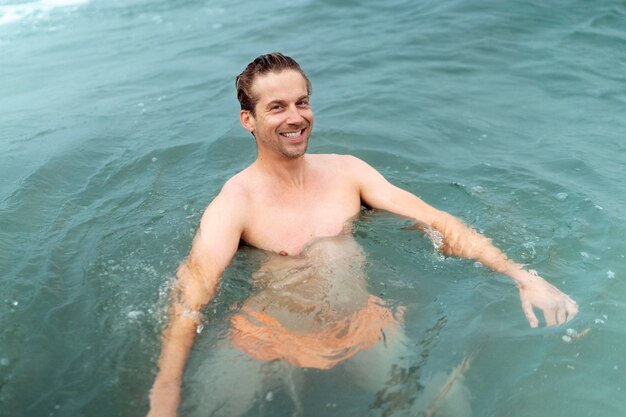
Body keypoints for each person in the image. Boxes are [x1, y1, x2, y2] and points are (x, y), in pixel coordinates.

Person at [146, 52, 578, 417]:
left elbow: (439, 221)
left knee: (444, 405)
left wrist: (522, 276)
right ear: (249, 120)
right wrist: (165, 390)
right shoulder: (235, 204)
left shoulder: (348, 173)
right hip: (267, 335)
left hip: (363, 325)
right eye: (277, 107)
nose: (295, 117)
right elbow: (191, 298)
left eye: (302, 102)